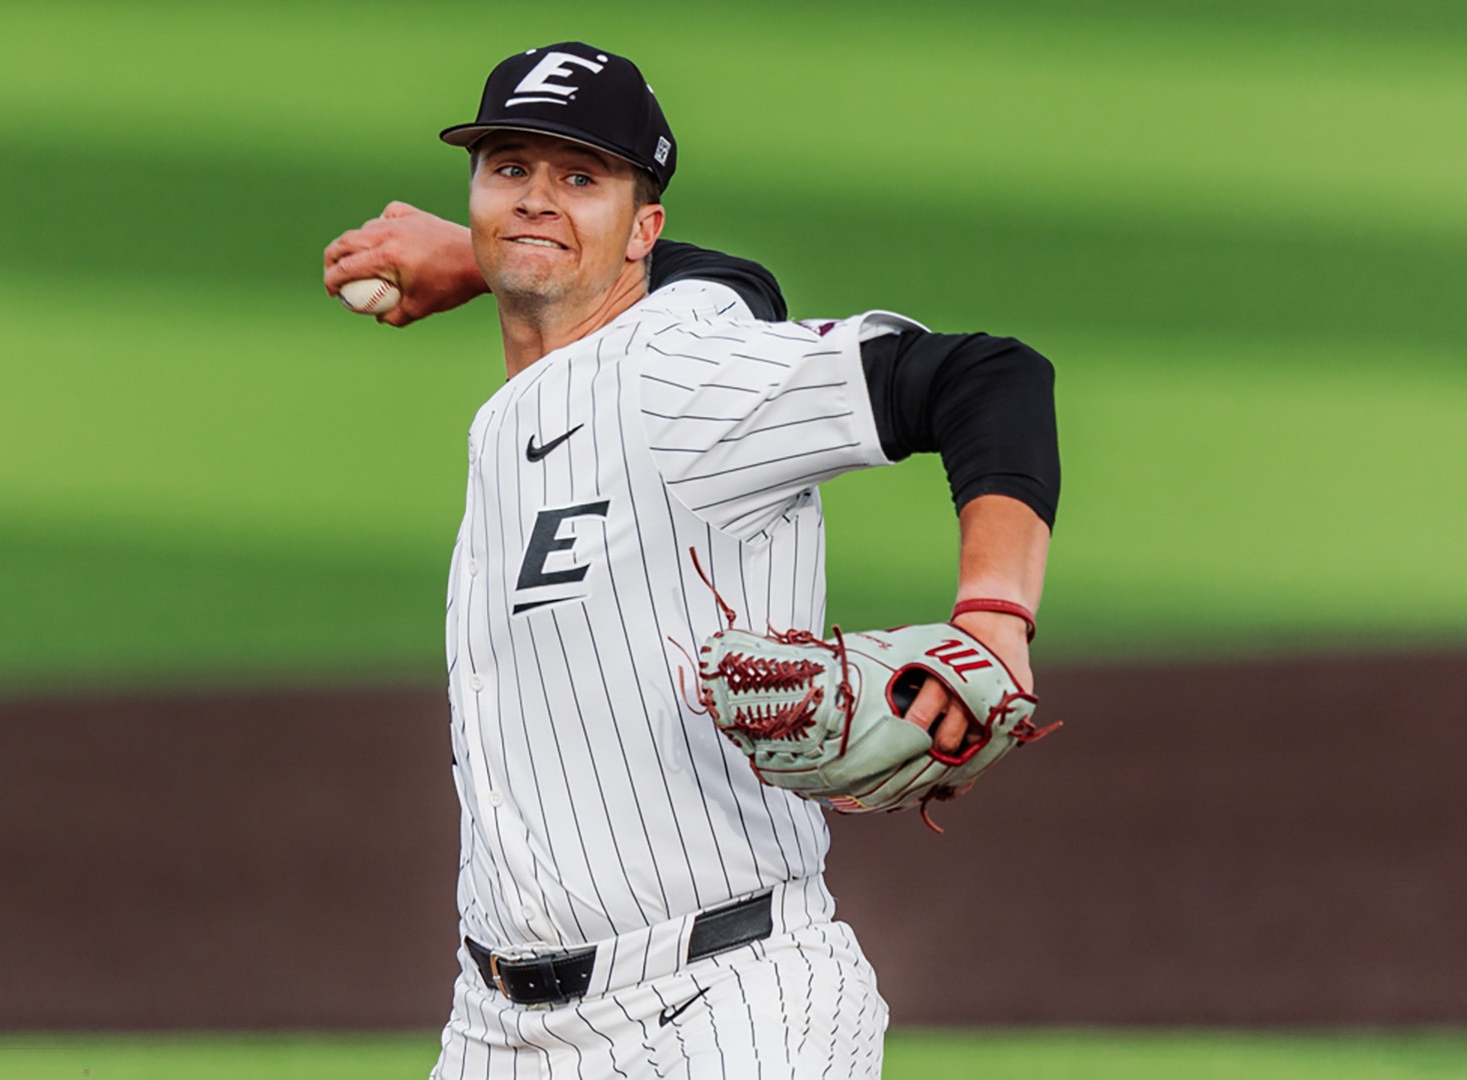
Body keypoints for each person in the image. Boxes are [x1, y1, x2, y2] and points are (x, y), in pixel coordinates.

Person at [322, 42, 1059, 1080]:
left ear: (645, 230)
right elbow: (736, 279)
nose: (537, 198)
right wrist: (500, 256)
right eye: (511, 172)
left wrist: (992, 619)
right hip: (498, 1032)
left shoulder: (678, 374)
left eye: (581, 180)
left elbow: (989, 379)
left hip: (722, 1010)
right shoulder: (528, 408)